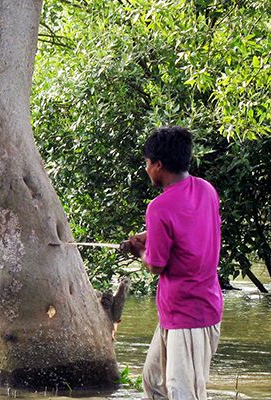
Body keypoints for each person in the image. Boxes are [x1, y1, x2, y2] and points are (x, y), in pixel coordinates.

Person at [126, 126, 223, 400]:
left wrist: (139, 253)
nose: (146, 169)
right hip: (187, 310)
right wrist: (147, 236)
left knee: (183, 393)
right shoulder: (205, 189)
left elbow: (156, 265)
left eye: (147, 163)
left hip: (188, 314)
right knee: (153, 382)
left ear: (158, 165)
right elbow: (189, 230)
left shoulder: (159, 207)